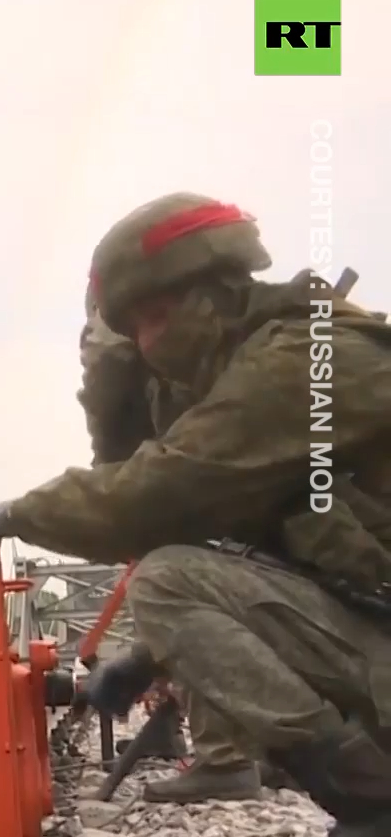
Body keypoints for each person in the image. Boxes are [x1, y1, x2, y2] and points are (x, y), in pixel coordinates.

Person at [0, 192, 391, 837]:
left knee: (167, 580)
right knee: (176, 577)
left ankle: (380, 819)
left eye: (154, 318)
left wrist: (19, 512)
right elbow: (276, 562)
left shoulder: (307, 360)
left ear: (215, 295)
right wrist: (149, 657)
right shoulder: (269, 365)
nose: (146, 345)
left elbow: (164, 487)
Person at [76, 289, 266, 802]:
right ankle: (244, 749)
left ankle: (228, 756)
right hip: (203, 457)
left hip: (175, 464)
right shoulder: (224, 307)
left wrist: (116, 486)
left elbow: (108, 387)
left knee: (175, 581)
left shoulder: (116, 321)